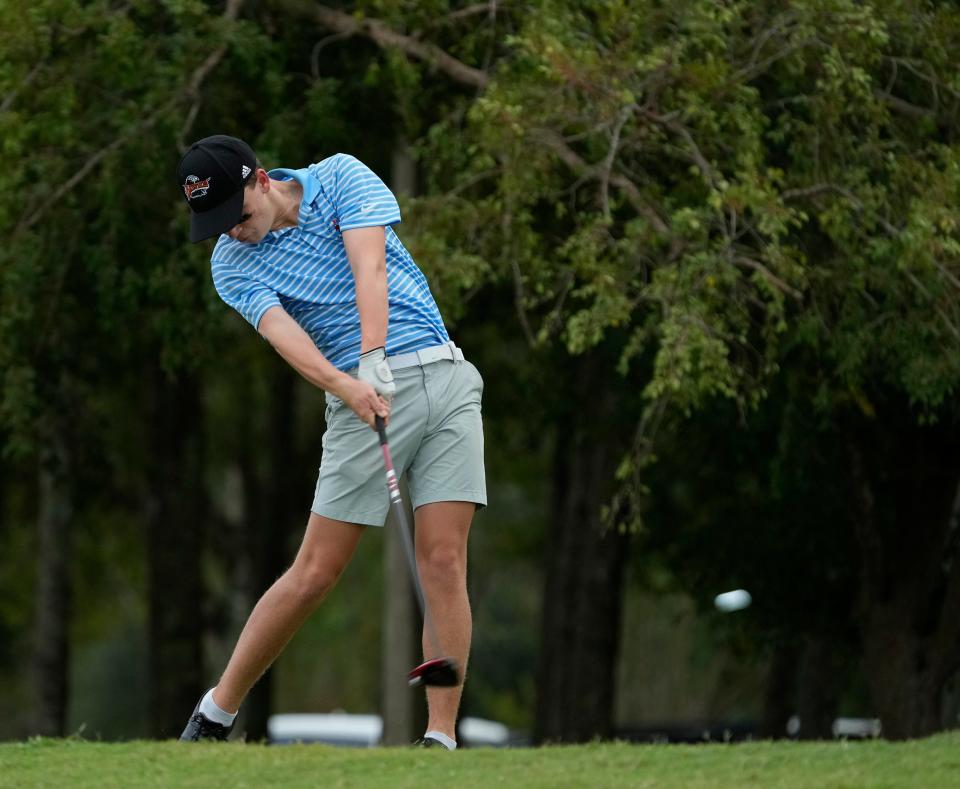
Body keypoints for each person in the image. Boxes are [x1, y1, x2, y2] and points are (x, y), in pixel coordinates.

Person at [175, 135, 485, 750]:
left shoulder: (343, 176)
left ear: (261, 180)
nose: (232, 233)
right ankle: (215, 713)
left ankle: (440, 741)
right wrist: (350, 384)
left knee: (444, 562)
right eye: (216, 226)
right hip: (359, 404)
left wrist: (374, 356)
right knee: (316, 571)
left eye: (237, 215)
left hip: (445, 376)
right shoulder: (230, 265)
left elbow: (369, 264)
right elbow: (286, 337)